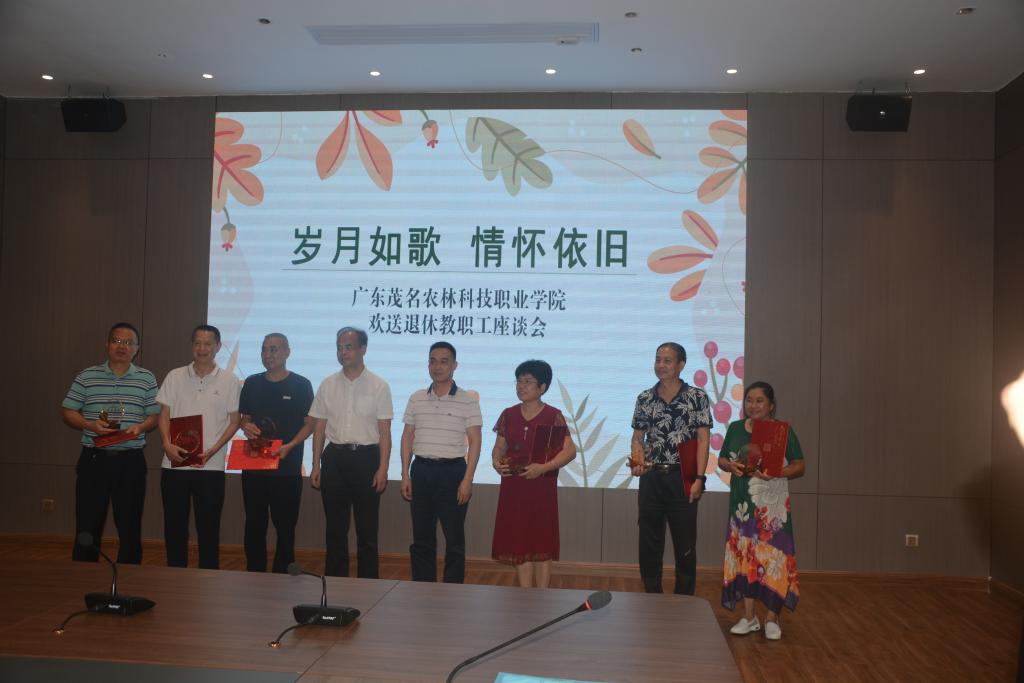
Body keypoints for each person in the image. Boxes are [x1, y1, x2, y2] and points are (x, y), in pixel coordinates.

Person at [61, 322, 159, 564]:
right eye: (117, 341)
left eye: (128, 342)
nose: (122, 346)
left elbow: (154, 415)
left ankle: (129, 576)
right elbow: (68, 410)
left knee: (130, 525)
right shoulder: (87, 376)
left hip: (130, 461)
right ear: (107, 344)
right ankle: (83, 575)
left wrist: (141, 427)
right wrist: (90, 425)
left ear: (137, 348)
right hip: (94, 459)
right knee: (87, 524)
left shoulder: (146, 378)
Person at [720, 381, 805, 641]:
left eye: (759, 401)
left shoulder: (782, 431)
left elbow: (800, 465)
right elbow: (722, 459)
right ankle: (749, 617)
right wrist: (729, 466)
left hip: (772, 508)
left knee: (773, 559)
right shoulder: (735, 428)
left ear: (771, 405)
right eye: (749, 400)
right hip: (742, 507)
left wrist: (777, 472)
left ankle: (772, 618)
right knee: (746, 557)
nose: (753, 405)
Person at [309, 327, 393, 578]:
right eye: (339, 347)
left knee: (367, 530)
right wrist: (315, 465)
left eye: (348, 347)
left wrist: (383, 468)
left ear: (363, 349)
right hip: (334, 459)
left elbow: (385, 432)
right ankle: (335, 581)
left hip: (367, 459)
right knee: (335, 529)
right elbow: (319, 428)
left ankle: (368, 584)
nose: (343, 352)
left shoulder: (379, 386)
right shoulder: (327, 384)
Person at [630, 342, 711, 595]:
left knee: (685, 543)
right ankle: (652, 595)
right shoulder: (645, 398)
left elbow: (703, 440)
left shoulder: (696, 397)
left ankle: (684, 600)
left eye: (667, 361)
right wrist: (638, 460)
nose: (660, 365)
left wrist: (699, 478)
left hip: (682, 477)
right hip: (652, 477)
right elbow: (637, 438)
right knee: (649, 542)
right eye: (657, 360)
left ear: (681, 365)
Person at [157, 324, 240, 569]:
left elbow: (234, 421)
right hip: (174, 464)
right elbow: (164, 414)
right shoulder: (175, 376)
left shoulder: (229, 380)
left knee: (209, 528)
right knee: (174, 527)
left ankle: (209, 578)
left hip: (210, 466)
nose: (202, 348)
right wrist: (166, 444)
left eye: (208, 344)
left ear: (218, 346)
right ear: (191, 345)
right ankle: (175, 575)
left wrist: (214, 450)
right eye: (197, 343)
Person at [400, 341, 482, 583]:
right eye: (433, 361)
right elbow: (407, 436)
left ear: (455, 365)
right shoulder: (416, 398)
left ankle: (453, 590)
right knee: (422, 537)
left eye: (444, 361)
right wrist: (405, 474)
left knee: (454, 538)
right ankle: (423, 587)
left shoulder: (467, 400)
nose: (437, 367)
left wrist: (468, 479)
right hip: (421, 470)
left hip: (453, 472)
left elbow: (475, 441)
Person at [491, 359, 576, 588]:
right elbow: (499, 447)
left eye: (528, 381)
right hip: (514, 487)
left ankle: (542, 595)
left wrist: (544, 468)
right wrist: (496, 461)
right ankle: (526, 595)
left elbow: (570, 450)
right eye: (519, 381)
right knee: (519, 541)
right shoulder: (508, 414)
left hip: (541, 487)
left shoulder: (552, 415)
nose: (521, 386)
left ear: (542, 387)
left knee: (541, 542)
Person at [238, 333, 314, 573]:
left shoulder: (301, 385)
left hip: (287, 466)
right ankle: (255, 573)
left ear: (287, 352)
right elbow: (245, 418)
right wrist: (245, 426)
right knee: (254, 525)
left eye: (274, 349)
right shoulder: (252, 383)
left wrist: (290, 445)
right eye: (264, 349)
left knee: (285, 527)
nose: (268, 355)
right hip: (254, 464)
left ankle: (283, 574)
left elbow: (310, 424)